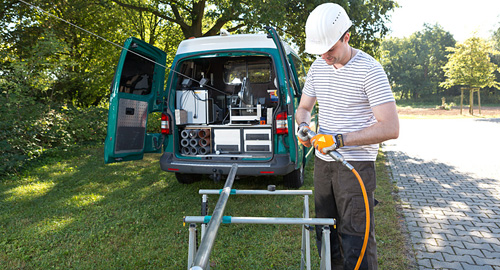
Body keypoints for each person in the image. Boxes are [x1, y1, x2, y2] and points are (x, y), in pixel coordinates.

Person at [295, 3, 399, 270]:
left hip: (356, 168)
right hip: (323, 165)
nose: (325, 56)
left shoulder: (370, 70)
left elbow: (390, 127)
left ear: (347, 37)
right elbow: (304, 108)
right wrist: (303, 128)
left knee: (357, 243)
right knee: (325, 236)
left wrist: (339, 140)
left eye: (330, 49)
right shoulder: (318, 68)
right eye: (320, 51)